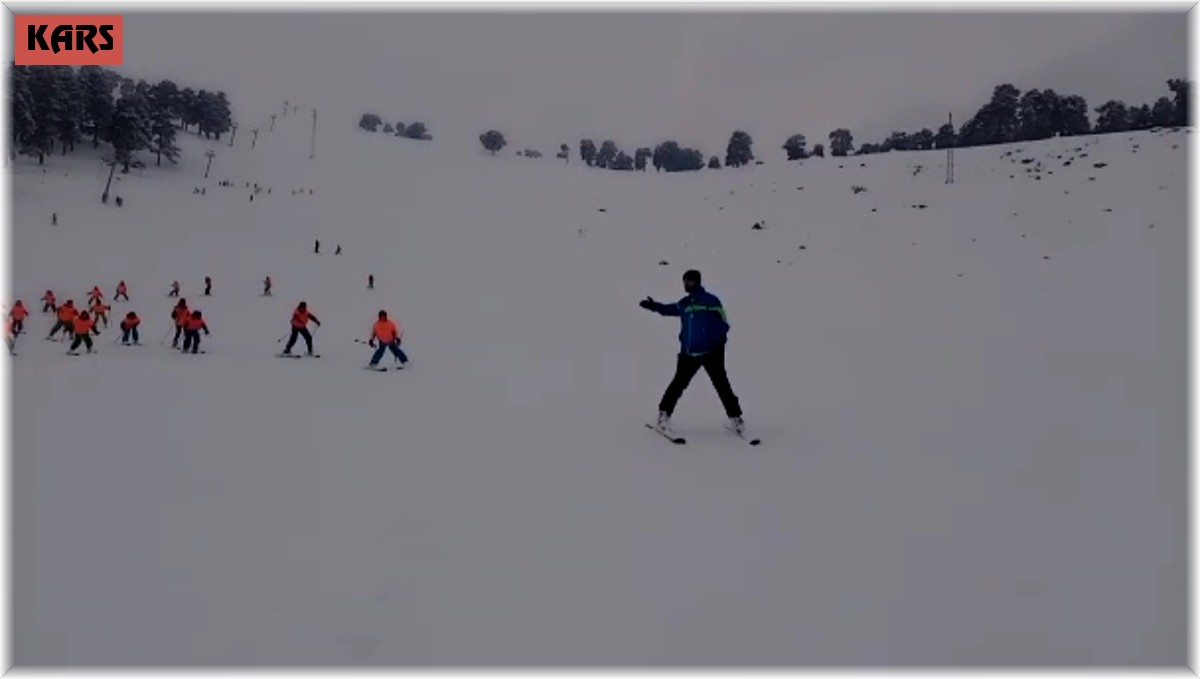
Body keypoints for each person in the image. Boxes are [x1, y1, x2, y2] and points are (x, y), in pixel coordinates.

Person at [639, 269, 745, 436]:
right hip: (688, 353)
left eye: (689, 281)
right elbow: (670, 309)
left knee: (722, 385)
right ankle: (663, 417)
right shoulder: (684, 303)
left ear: (698, 282)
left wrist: (718, 342)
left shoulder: (711, 300)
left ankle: (736, 419)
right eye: (684, 281)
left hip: (711, 352)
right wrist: (654, 306)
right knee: (678, 385)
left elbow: (723, 323)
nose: (686, 284)